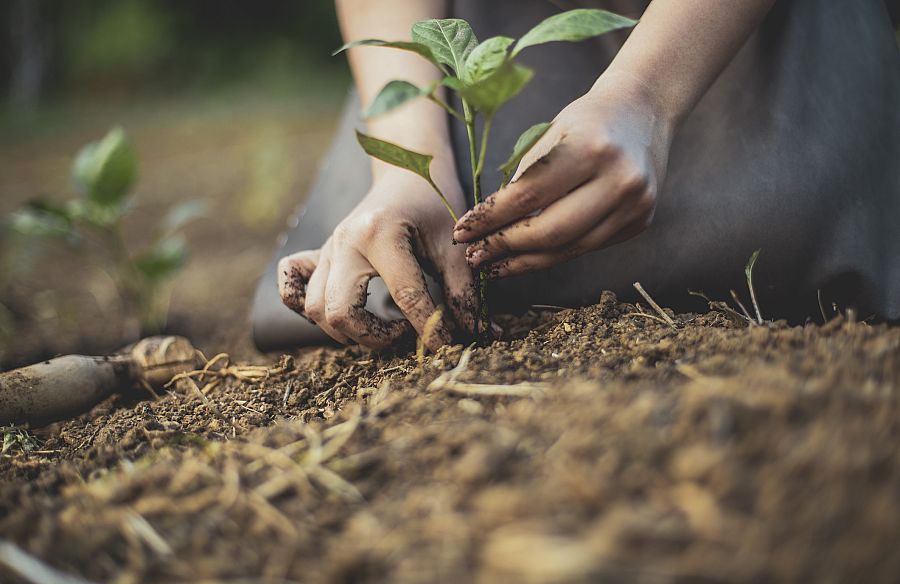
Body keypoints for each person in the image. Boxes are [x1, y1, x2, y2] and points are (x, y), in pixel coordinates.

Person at [251, 0, 900, 352]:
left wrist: (648, 94)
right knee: (392, 256)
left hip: (719, 27)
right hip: (470, 37)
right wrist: (406, 162)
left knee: (774, 218)